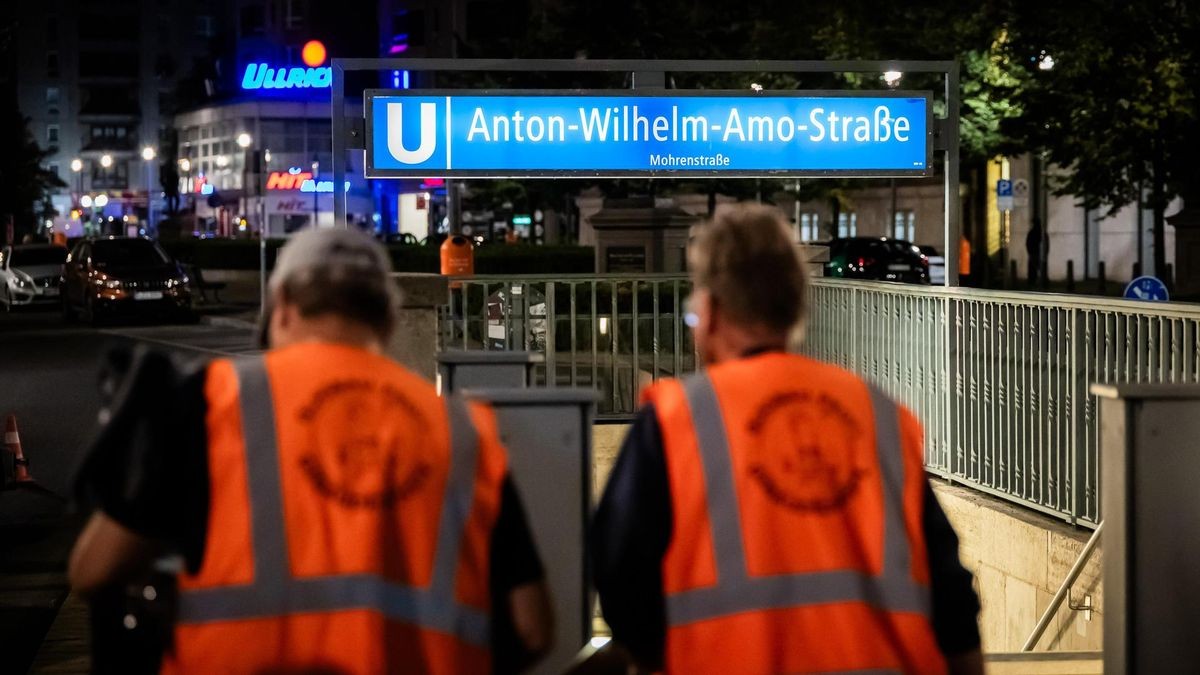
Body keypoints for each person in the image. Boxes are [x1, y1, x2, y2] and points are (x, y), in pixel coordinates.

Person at [69, 228, 553, 674]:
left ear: (281, 308)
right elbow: (533, 627)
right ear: (385, 319)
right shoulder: (463, 428)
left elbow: (94, 571)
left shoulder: (209, 399)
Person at [592, 204, 982, 675]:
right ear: (795, 307)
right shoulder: (878, 414)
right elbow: (951, 598)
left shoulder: (677, 419)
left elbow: (621, 579)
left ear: (711, 314)